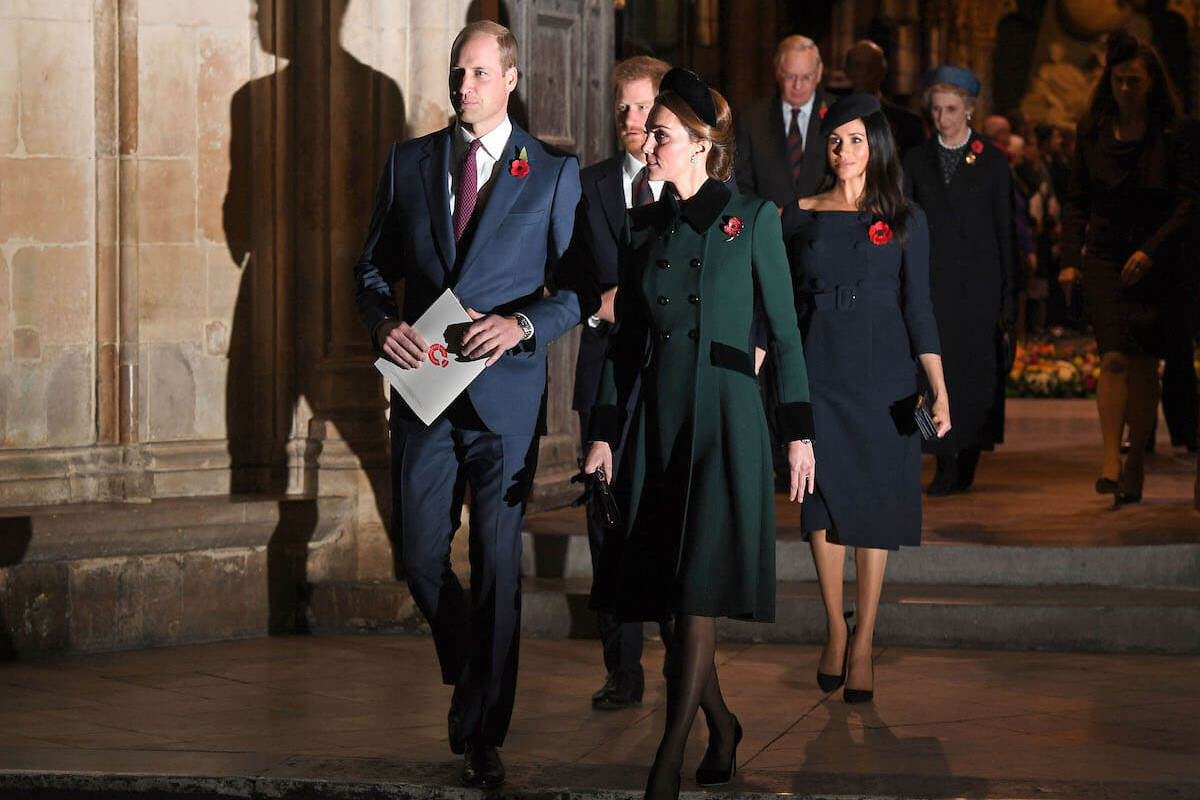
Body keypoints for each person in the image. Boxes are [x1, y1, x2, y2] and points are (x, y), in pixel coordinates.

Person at [352, 21, 581, 788]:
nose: (463, 88)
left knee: (496, 567)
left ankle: (485, 729)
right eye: (458, 73)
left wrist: (522, 323)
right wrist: (386, 324)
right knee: (419, 554)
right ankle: (470, 661)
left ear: (509, 78)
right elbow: (372, 269)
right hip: (425, 396)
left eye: (479, 74)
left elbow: (577, 289)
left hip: (505, 400)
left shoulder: (549, 173)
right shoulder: (410, 161)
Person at [583, 68, 815, 800]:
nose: (648, 141)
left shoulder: (752, 218)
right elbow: (625, 344)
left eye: (663, 134)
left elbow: (784, 332)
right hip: (660, 420)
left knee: (698, 594)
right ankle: (721, 724)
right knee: (668, 598)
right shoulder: (640, 223)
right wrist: (605, 432)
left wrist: (798, 433)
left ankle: (668, 758)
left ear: (700, 147)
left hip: (723, 418)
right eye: (651, 131)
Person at [782, 93, 949, 704]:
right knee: (822, 505)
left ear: (876, 144)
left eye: (855, 139)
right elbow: (782, 306)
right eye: (834, 141)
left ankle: (865, 640)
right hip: (819, 369)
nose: (844, 151)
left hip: (886, 380)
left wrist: (938, 386)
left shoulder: (906, 217)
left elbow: (920, 308)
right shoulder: (796, 214)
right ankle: (833, 627)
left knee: (875, 504)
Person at [566, 54, 670, 711]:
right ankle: (622, 668)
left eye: (645, 107)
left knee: (669, 516)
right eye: (624, 108)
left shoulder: (693, 182)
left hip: (671, 379)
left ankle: (684, 655)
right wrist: (593, 301)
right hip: (605, 372)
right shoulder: (590, 186)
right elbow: (567, 271)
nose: (634, 121)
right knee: (608, 525)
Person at [1059, 30, 1198, 504]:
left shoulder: (1174, 133)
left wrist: (1152, 251)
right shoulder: (1092, 130)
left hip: (1157, 257)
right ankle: (1111, 460)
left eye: (1134, 80)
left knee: (1143, 367)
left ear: (1153, 82)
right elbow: (1076, 200)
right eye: (1117, 80)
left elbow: (1187, 203)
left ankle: (1135, 456)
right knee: (1113, 356)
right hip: (1104, 256)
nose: (1125, 89)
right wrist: (1069, 261)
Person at [902, 66, 1013, 495]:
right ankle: (941, 457)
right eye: (936, 110)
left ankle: (965, 454)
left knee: (972, 376)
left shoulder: (993, 160)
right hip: (931, 285)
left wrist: (1007, 304)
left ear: (969, 110)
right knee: (931, 373)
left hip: (977, 289)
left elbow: (1004, 232)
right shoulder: (916, 159)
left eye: (951, 109)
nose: (942, 118)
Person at [734, 35, 830, 208]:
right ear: (778, 71)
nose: (798, 86)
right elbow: (741, 183)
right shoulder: (751, 119)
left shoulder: (837, 115)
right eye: (790, 77)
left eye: (806, 77)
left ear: (819, 72)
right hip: (769, 226)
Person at [844, 39, 925, 157]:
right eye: (858, 65)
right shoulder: (832, 118)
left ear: (882, 71)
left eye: (871, 65)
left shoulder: (909, 123)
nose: (865, 72)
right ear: (847, 71)